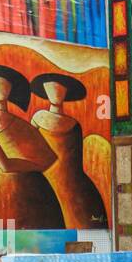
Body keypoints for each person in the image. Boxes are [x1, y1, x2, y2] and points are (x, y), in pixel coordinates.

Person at [0, 65, 64, 229]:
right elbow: (4, 164)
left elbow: (48, 158)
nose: (0, 88)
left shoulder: (20, 123)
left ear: (11, 90)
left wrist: (29, 166)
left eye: (6, 85)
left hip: (29, 187)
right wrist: (27, 165)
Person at [29, 73, 108, 229]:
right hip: (42, 178)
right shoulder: (39, 118)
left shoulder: (73, 124)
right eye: (51, 89)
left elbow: (75, 159)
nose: (56, 94)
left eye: (60, 91)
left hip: (70, 182)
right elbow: (30, 148)